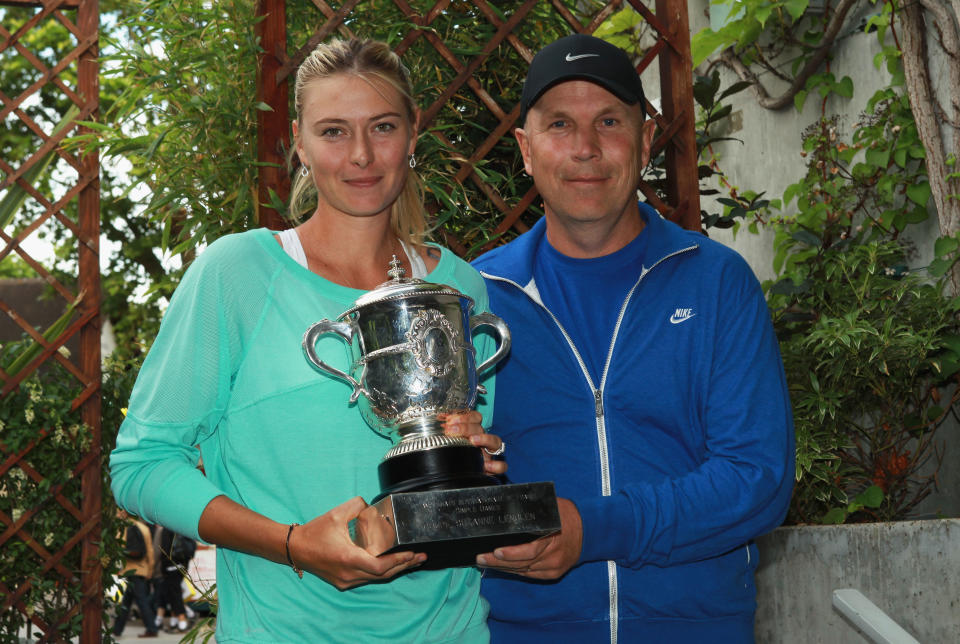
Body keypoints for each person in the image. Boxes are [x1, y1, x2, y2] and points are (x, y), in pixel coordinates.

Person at [110, 37, 505, 643]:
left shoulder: (460, 286)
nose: (363, 156)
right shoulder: (237, 275)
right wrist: (294, 546)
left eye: (382, 127)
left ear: (413, 131)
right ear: (298, 139)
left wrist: (478, 459)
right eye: (333, 132)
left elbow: (458, 476)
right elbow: (142, 464)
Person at [471, 34, 795, 642]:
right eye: (559, 124)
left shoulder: (716, 283)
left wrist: (592, 530)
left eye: (610, 121)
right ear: (525, 149)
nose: (585, 148)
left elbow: (758, 478)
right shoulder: (476, 298)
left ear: (645, 140)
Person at [112, 510, 159, 639]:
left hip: (131, 569)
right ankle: (117, 629)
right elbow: (150, 550)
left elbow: (118, 548)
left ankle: (151, 628)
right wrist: (150, 569)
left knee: (141, 601)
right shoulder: (144, 528)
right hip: (142, 569)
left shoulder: (123, 528)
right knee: (127, 601)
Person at [156, 527, 195, 633]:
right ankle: (175, 621)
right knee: (173, 592)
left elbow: (164, 549)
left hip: (170, 566)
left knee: (174, 593)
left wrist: (162, 567)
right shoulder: (182, 526)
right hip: (183, 564)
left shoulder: (166, 528)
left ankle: (182, 621)